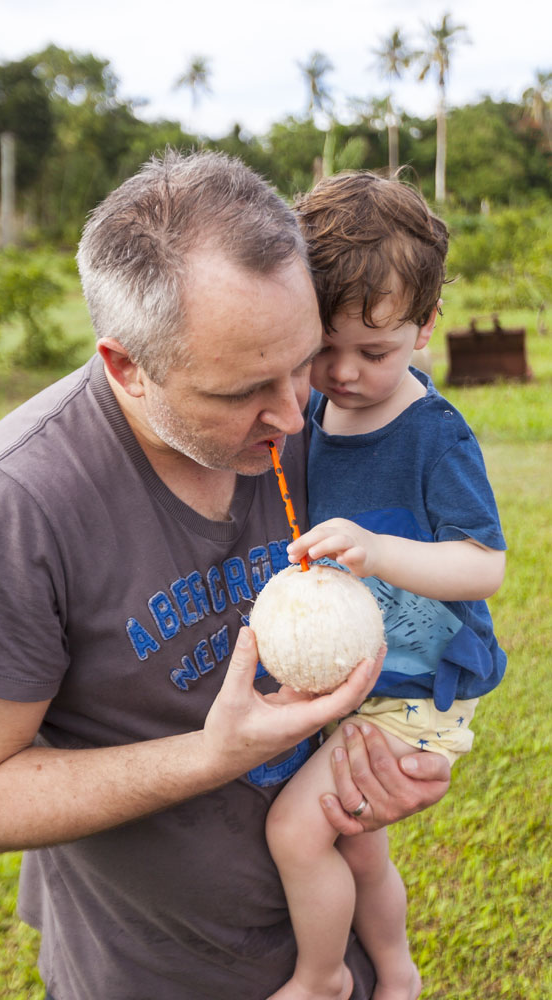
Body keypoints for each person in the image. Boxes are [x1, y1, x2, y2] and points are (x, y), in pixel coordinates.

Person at [0, 152, 451, 1000]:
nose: (292, 412)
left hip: (344, 940)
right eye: (240, 391)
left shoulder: (337, 411)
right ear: (126, 367)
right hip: (155, 973)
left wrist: (402, 746)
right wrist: (212, 755)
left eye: (301, 361)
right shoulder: (16, 502)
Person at [264, 171, 507, 1000]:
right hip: (355, 679)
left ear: (425, 324)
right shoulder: (311, 416)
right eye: (321, 347)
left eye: (374, 352)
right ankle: (395, 972)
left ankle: (322, 978)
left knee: (297, 831)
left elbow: (483, 564)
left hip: (417, 691)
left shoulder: (434, 437)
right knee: (360, 846)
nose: (342, 373)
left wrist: (378, 550)